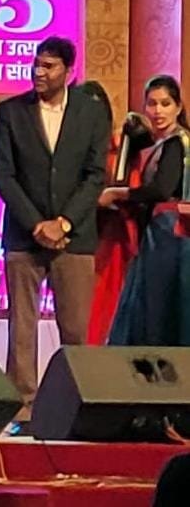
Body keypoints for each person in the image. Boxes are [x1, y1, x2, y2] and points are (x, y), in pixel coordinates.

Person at [0, 37, 109, 424]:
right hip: (23, 235)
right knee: (22, 327)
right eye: (36, 64)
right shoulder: (11, 111)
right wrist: (37, 224)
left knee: (75, 329)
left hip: (75, 236)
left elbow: (95, 175)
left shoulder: (92, 112)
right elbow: (4, 176)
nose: (38, 72)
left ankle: (75, 407)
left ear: (69, 72)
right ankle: (22, 408)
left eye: (49, 66)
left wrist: (64, 222)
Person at [103, 75, 190, 346]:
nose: (158, 111)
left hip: (170, 232)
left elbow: (161, 190)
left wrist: (119, 194)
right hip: (166, 231)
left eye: (165, 103)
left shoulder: (177, 143)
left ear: (178, 107)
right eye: (152, 104)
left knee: (158, 303)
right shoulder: (163, 142)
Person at [78, 80, 144, 345]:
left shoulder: (121, 146)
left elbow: (134, 187)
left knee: (106, 302)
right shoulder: (71, 146)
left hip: (112, 235)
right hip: (79, 231)